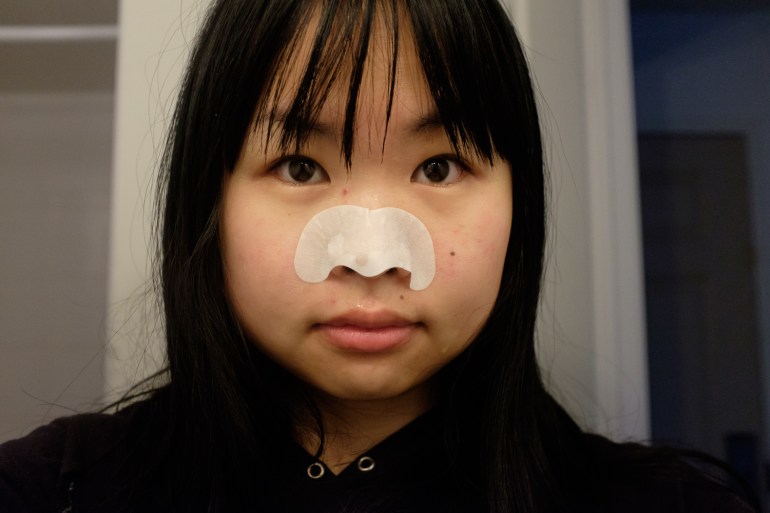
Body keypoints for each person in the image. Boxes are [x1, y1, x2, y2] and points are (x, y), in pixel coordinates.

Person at [0, 1, 759, 512]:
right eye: (301, 166)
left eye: (439, 168)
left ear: (518, 203)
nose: (371, 259)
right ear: (210, 200)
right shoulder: (53, 490)